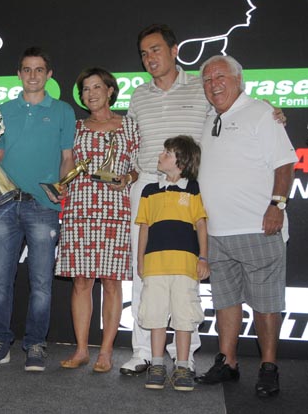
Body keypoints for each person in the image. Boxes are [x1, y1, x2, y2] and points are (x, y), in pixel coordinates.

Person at [121, 23, 286, 376]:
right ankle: (143, 352)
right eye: (144, 53)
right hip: (148, 187)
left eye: (156, 50)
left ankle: (185, 355)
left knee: (186, 274)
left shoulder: (202, 86)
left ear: (174, 50)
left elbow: (237, 101)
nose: (150, 58)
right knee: (145, 272)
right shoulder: (137, 95)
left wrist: (272, 109)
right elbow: (131, 141)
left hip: (187, 191)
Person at [195, 55, 296, 398]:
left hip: (258, 227)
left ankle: (269, 366)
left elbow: (285, 165)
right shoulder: (208, 118)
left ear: (239, 80)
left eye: (221, 76)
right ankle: (229, 362)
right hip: (217, 233)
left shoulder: (261, 114)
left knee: (266, 303)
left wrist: (277, 206)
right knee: (226, 301)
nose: (214, 84)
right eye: (207, 80)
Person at [0, 47, 75, 372]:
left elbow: (67, 159)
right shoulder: (3, 110)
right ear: (19, 74)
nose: (33, 75)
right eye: (27, 69)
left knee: (42, 282)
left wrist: (62, 192)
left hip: (45, 207)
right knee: (0, 281)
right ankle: (0, 341)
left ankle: (35, 344)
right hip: (5, 205)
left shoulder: (62, 112)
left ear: (48, 75)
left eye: (39, 69)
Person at [55, 68, 138, 373]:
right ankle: (81, 349)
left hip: (115, 209)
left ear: (110, 90)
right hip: (79, 208)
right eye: (85, 89)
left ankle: (105, 351)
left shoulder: (129, 126)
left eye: (96, 87)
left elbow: (141, 166)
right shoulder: (74, 128)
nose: (90, 94)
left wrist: (127, 176)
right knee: (81, 281)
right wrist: (61, 182)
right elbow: (66, 165)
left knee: (112, 282)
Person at [136, 136, 209, 392]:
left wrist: (203, 257)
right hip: (155, 265)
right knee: (155, 315)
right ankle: (156, 364)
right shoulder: (149, 191)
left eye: (167, 152)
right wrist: (140, 260)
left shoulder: (194, 189)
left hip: (185, 266)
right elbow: (144, 227)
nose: (161, 155)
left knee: (184, 317)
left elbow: (201, 224)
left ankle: (182, 366)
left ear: (181, 161)